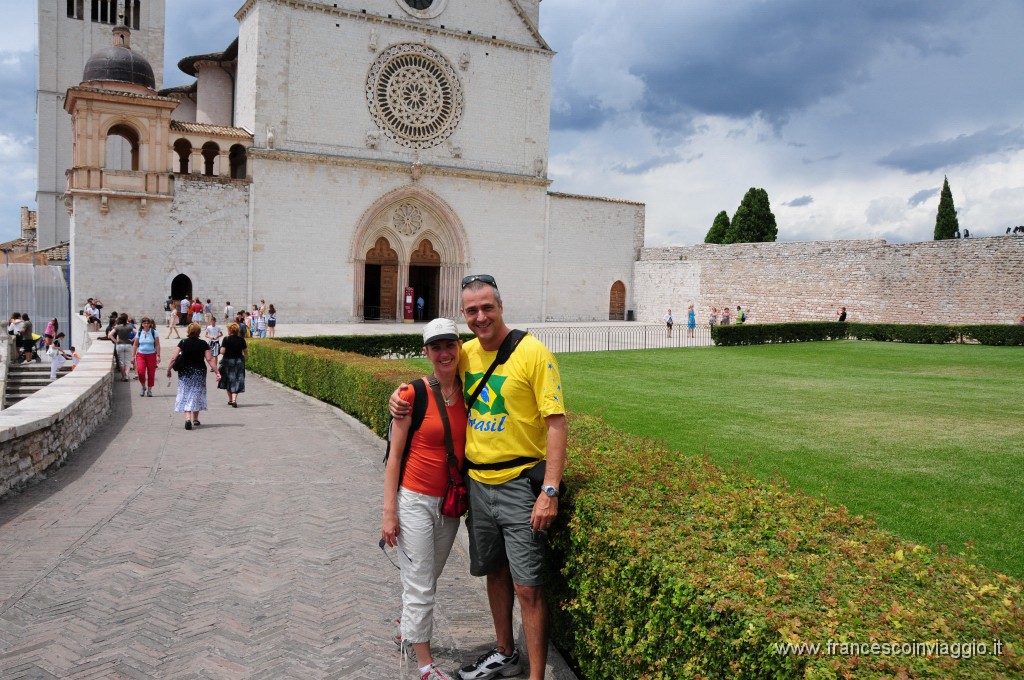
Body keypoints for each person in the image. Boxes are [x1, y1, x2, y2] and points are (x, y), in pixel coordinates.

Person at [391, 274, 567, 680]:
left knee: (528, 586)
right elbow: (440, 379)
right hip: (478, 485)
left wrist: (550, 490)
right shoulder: (465, 351)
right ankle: (505, 653)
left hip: (520, 483)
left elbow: (556, 423)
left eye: (487, 307)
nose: (481, 316)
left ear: (501, 306)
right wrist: (400, 396)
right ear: (464, 315)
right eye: (472, 310)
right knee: (494, 571)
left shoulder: (533, 353)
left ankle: (536, 676)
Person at [382, 318, 467, 680]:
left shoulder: (473, 391)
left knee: (428, 576)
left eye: (450, 345)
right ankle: (424, 665)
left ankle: (408, 623)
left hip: (448, 503)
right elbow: (394, 456)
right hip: (414, 500)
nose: (444, 353)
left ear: (460, 346)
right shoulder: (410, 395)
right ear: (426, 352)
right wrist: (389, 512)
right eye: (436, 347)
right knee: (420, 583)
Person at [166, 323, 220, 430]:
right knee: (196, 393)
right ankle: (195, 419)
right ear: (199, 332)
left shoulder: (183, 342)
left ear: (188, 331)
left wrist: (168, 369)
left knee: (185, 393)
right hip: (199, 372)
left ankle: (187, 419)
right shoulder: (203, 343)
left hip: (185, 372)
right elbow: (209, 359)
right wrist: (217, 372)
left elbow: (174, 358)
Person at [218, 322, 248, 407]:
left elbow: (222, 351)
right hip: (239, 361)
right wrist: (244, 358)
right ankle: (234, 399)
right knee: (237, 380)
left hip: (228, 362)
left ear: (230, 330)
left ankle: (230, 400)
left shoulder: (226, 339)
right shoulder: (241, 339)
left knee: (228, 380)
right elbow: (246, 352)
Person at [132, 317, 160, 396]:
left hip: (151, 355)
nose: (146, 324)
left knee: (151, 373)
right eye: (145, 323)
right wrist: (132, 356)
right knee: (140, 372)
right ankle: (143, 386)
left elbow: (157, 345)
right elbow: (135, 345)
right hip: (141, 355)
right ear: (142, 324)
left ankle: (149, 390)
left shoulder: (154, 332)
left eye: (148, 323)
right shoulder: (139, 332)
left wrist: (158, 355)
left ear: (150, 324)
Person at [108, 313, 134, 381]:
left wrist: (116, 341)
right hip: (128, 344)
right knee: (128, 361)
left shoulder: (117, 327)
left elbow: (110, 335)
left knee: (121, 362)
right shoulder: (129, 326)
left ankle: (123, 376)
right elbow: (138, 333)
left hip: (120, 345)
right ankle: (126, 375)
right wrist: (132, 340)